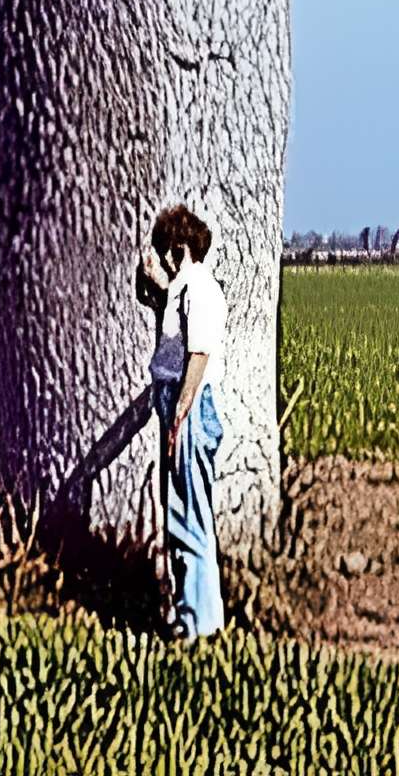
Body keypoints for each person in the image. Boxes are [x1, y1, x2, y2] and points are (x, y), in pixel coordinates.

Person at [137, 201, 228, 640]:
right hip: (177, 401)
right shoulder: (184, 288)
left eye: (165, 249)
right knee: (180, 514)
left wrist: (179, 414)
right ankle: (192, 617)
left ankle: (202, 626)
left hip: (187, 405)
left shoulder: (200, 290)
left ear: (178, 247)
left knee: (191, 517)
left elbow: (198, 354)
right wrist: (158, 284)